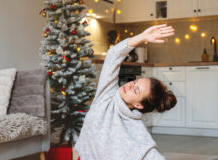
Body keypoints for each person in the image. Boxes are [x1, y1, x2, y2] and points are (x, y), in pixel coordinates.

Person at [74, 24, 177, 160]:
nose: (129, 86)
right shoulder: (108, 95)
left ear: (139, 105)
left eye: (136, 90)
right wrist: (143, 37)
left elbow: (150, 154)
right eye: (134, 82)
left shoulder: (136, 128)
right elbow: (113, 55)